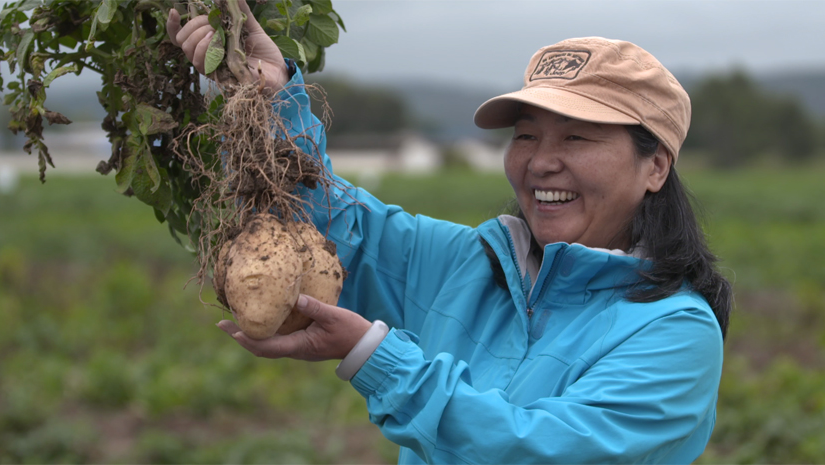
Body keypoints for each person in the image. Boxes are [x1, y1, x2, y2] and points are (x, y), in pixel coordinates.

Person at [168, 7, 731, 463]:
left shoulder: (674, 332)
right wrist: (273, 94)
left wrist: (374, 357)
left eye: (578, 139)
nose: (541, 163)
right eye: (527, 136)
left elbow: (540, 453)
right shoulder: (475, 264)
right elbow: (342, 231)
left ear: (654, 166)